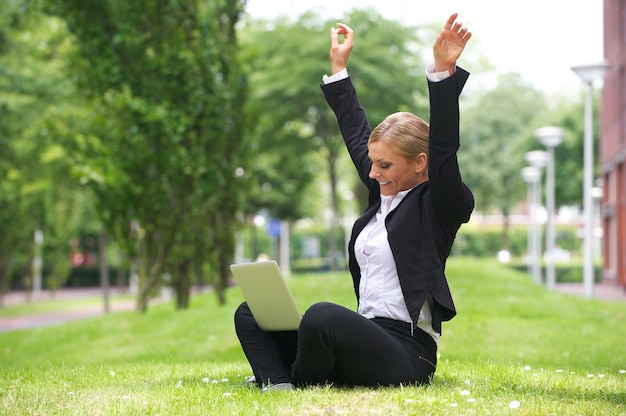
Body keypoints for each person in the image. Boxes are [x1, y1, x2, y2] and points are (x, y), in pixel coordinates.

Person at [234, 13, 474, 391]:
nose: (374, 173)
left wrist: (442, 74)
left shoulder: (441, 204)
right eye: (373, 163)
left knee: (321, 316)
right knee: (251, 313)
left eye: (385, 165)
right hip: (362, 338)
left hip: (407, 352)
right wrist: (339, 69)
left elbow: (445, 149)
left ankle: (286, 375)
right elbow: (354, 129)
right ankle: (279, 382)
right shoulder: (382, 194)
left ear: (420, 163)